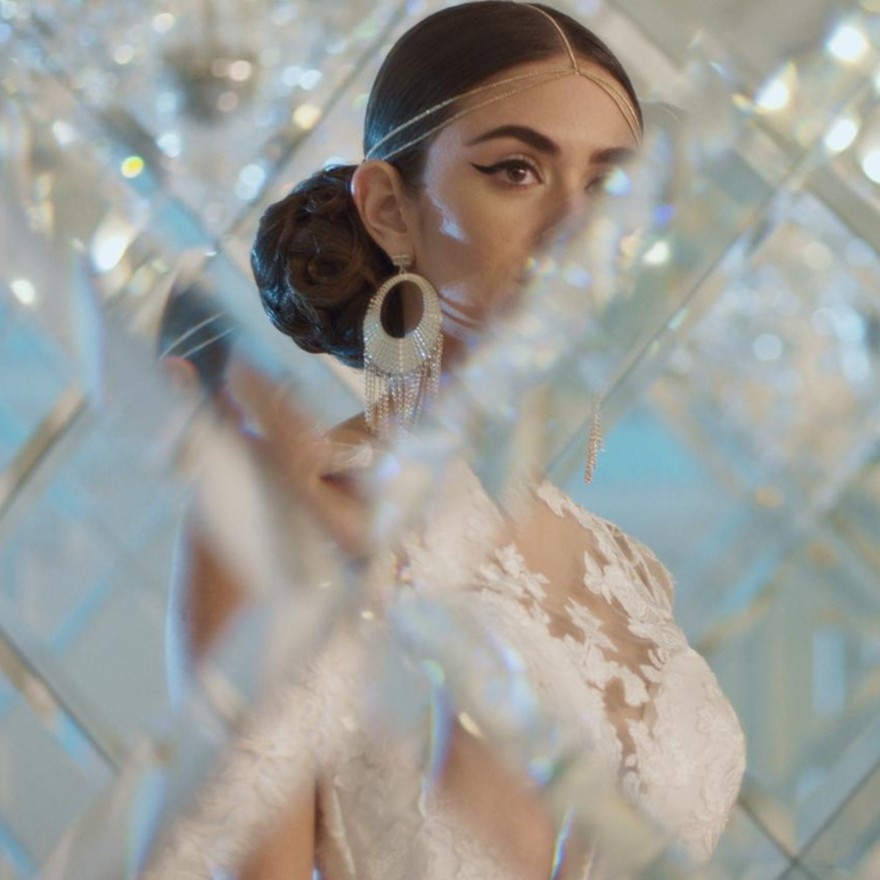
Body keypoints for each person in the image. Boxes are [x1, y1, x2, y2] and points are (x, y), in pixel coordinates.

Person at [146, 3, 745, 878]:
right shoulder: (296, 518)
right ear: (391, 210)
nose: (580, 230)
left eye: (611, 189)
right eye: (517, 170)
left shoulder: (631, 569)